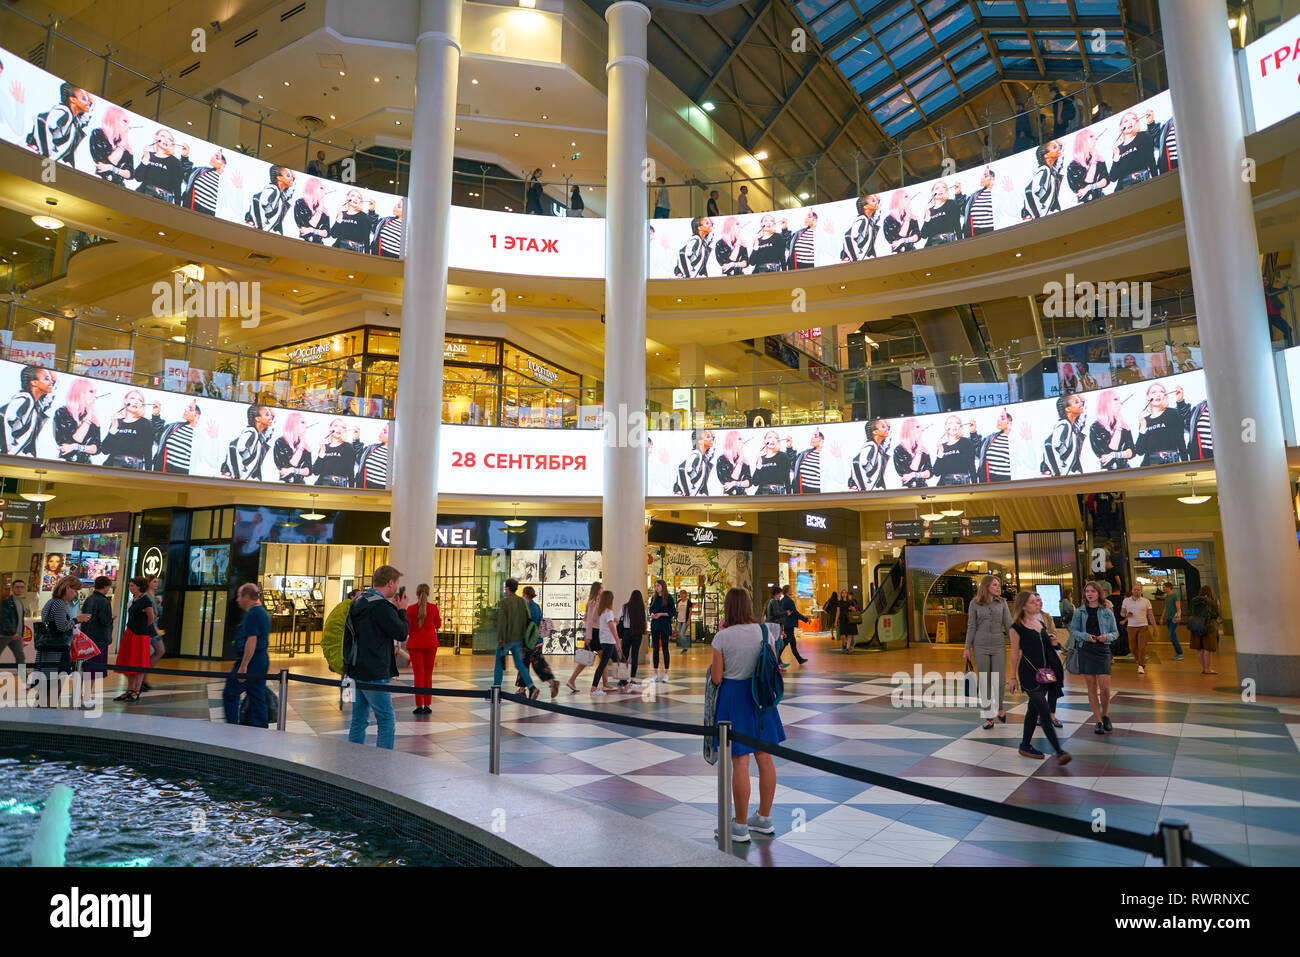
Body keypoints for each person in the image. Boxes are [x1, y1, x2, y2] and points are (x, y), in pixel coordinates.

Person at [710, 587, 784, 843]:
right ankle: (763, 817)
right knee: (765, 758)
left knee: (740, 761)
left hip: (734, 699)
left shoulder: (722, 637)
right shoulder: (764, 631)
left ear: (728, 608)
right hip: (761, 699)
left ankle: (739, 826)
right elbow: (774, 666)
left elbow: (717, 677)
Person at [345, 565, 409, 749]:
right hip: (375, 671)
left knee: (359, 719)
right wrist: (402, 610)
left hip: (356, 668)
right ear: (390, 583)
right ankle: (383, 762)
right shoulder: (381, 606)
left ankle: (352, 756)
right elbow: (401, 632)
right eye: (396, 583)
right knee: (386, 719)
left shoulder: (360, 601)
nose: (397, 587)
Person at [1008, 590, 1071, 764]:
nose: (1037, 604)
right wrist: (1012, 678)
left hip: (1044, 673)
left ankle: (1024, 745)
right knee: (1043, 710)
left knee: (1033, 709)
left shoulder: (1039, 623)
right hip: (1029, 674)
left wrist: (1053, 643)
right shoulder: (1016, 627)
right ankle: (1059, 751)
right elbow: (1014, 654)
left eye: (1037, 601)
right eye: (1032, 602)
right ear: (1023, 606)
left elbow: (1045, 645)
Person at [1069, 581, 1118, 734]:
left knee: (1105, 687)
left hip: (1102, 650)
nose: (1089, 594)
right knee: (1091, 687)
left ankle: (1105, 715)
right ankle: (1097, 721)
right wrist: (1085, 636)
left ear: (1099, 593)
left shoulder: (1106, 611)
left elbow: (1115, 632)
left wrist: (1106, 637)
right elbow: (1073, 631)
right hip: (1086, 650)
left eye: (1092, 591)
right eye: (1087, 591)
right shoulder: (1079, 612)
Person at [964, 574, 1011, 729]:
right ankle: (988, 717)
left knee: (1000, 679)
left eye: (998, 585)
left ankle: (1000, 707)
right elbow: (971, 626)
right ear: (986, 587)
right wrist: (966, 648)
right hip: (980, 645)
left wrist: (1018, 643)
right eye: (995, 585)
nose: (998, 588)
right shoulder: (974, 603)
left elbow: (1009, 624)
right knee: (985, 681)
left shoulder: (1002, 603)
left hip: (998, 645)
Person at [222, 583, 271, 727]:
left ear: (247, 596)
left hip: (252, 660)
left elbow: (252, 640)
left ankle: (232, 725)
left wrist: (243, 666)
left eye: (239, 596)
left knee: (230, 692)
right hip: (261, 659)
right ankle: (260, 726)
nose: (237, 600)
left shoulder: (252, 614)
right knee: (256, 694)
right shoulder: (262, 612)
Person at [35, 576, 88, 708]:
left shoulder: (51, 602)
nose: (75, 594)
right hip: (56, 650)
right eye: (74, 591)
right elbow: (62, 626)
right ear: (67, 588)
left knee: (46, 685)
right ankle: (47, 715)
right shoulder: (59, 604)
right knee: (54, 685)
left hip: (48, 649)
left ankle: (40, 713)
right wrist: (77, 620)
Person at [27, 82, 92, 164]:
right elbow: (42, 121)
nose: (88, 102)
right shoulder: (64, 112)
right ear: (73, 100)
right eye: (83, 98)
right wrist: (46, 155)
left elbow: (90, 110)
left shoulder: (75, 120)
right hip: (29, 155)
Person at [114, 577, 154, 703]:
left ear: (139, 586)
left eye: (132, 585)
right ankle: (130, 690)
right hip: (131, 633)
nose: (130, 588)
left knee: (138, 662)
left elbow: (151, 616)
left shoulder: (145, 599)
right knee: (130, 662)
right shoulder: (135, 599)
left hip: (140, 635)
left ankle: (136, 690)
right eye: (130, 585)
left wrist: (143, 627)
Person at [492, 578, 535, 695]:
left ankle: (496, 690)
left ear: (507, 588)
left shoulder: (505, 602)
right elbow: (527, 618)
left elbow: (502, 623)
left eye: (505, 587)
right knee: (520, 665)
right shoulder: (522, 601)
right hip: (518, 640)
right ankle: (532, 687)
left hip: (505, 640)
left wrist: (500, 639)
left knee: (499, 665)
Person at [3, 364, 56, 456]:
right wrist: (9, 451)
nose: (51, 382)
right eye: (46, 379)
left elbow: (49, 397)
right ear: (34, 382)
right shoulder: (23, 399)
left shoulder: (36, 403)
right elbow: (6, 422)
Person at [517, 585, 559, 699]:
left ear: (525, 595)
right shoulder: (536, 607)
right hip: (537, 641)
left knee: (525, 664)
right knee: (537, 664)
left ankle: (523, 689)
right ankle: (524, 689)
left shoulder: (528, 607)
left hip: (529, 642)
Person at [102, 391, 161, 470]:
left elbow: (148, 454)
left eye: (140, 400)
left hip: (132, 470)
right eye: (132, 398)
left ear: (142, 405)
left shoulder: (146, 423)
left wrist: (148, 475)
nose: (136, 402)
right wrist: (113, 427)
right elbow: (105, 450)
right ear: (125, 400)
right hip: (110, 468)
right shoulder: (116, 422)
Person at [405, 583, 441, 713]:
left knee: (418, 675)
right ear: (429, 593)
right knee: (428, 674)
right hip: (431, 643)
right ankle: (428, 705)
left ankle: (419, 705)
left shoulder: (410, 609)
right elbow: (438, 624)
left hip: (415, 644)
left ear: (416, 594)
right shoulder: (434, 608)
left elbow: (408, 630)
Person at [180, 149, 245, 219]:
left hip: (208, 220)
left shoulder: (224, 184)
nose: (213, 157)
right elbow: (185, 176)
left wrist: (239, 188)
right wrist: (185, 157)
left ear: (223, 163)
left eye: (217, 157)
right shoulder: (200, 171)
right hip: (189, 212)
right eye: (213, 155)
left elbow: (238, 210)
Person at [1136, 382, 1188, 465]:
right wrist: (1142, 426)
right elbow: (1139, 451)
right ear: (1148, 396)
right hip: (1149, 466)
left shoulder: (1172, 413)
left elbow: (1181, 441)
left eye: (1161, 392)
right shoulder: (1144, 421)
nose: (1158, 395)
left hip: (1169, 463)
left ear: (1165, 395)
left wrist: (1186, 464)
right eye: (1154, 392)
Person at [133, 129, 190, 203]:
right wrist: (146, 158)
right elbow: (138, 178)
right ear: (156, 137)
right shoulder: (148, 155)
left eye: (169, 139)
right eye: (163, 136)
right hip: (141, 197)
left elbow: (177, 189)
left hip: (161, 202)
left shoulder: (175, 162)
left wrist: (177, 208)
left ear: (172, 144)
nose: (166, 140)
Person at [53, 378, 102, 464]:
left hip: (87, 465)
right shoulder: (62, 412)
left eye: (95, 392)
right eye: (91, 391)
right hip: (67, 462)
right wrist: (89, 415)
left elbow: (96, 448)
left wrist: (76, 447)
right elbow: (74, 439)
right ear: (80, 392)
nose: (94, 395)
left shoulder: (93, 417)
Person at [567, 581, 602, 693]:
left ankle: (572, 680)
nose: (603, 590)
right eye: (601, 588)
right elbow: (589, 620)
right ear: (597, 590)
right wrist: (589, 636)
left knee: (602, 659)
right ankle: (572, 679)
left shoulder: (596, 602)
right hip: (594, 633)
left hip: (596, 632)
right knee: (600, 658)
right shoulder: (593, 603)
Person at [223, 404, 274, 480]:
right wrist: (237, 476)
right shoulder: (251, 433)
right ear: (257, 419)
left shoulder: (260, 435)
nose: (270, 417)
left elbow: (270, 431)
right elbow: (233, 447)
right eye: (267, 415)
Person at [1110, 110, 1158, 190]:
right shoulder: (1117, 149)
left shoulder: (1143, 136)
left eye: (1133, 119)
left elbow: (1152, 162)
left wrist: (1156, 183)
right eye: (1126, 121)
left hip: (1142, 186)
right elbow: (1113, 178)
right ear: (1121, 126)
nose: (1130, 122)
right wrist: (1116, 156)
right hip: (1123, 190)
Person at [1090, 390, 1135, 470]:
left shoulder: (1123, 425)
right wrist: (1118, 426)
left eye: (1119, 399)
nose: (1119, 403)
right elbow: (1111, 448)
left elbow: (1132, 452)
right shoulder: (1096, 427)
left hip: (1126, 470)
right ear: (1106, 403)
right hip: (1108, 473)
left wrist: (1113, 455)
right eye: (1115, 399)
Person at [1041, 393, 1086, 475]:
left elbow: (1082, 419)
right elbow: (1048, 445)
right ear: (1068, 409)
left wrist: (1083, 400)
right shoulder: (1064, 425)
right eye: (1076, 402)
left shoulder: (1073, 426)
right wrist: (1058, 474)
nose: (1080, 404)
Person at [80, 576, 115, 679]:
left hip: (87, 638)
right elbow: (105, 621)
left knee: (85, 669)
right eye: (108, 587)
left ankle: (80, 692)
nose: (109, 589)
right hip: (99, 639)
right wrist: (111, 618)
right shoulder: (104, 602)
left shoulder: (88, 599)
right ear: (105, 586)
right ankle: (87, 693)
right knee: (95, 672)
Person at [89, 106, 134, 185]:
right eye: (125, 121)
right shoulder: (98, 133)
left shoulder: (126, 145)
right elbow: (107, 162)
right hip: (100, 182)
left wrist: (113, 169)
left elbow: (130, 174)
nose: (128, 125)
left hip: (119, 187)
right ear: (114, 119)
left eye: (128, 122)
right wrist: (123, 142)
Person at [589, 589, 622, 695]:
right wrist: (618, 642)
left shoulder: (604, 612)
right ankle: (594, 688)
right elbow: (611, 628)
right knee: (603, 664)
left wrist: (614, 622)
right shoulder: (608, 612)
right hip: (608, 641)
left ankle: (625, 684)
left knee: (617, 661)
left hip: (607, 641)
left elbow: (610, 625)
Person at [1022, 140, 1064, 218]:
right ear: (1046, 155)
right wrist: (1038, 216)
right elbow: (1029, 191)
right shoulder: (1044, 170)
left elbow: (1061, 158)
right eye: (1055, 147)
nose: (1059, 148)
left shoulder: (1052, 170)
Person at [1121, 584, 1156, 675]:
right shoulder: (1126, 601)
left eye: (1139, 590)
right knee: (1132, 647)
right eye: (1135, 590)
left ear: (1141, 591)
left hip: (1143, 626)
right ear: (1132, 590)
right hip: (1131, 626)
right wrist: (1126, 615)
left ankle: (1141, 665)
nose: (1137, 591)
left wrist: (1155, 628)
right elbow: (1122, 613)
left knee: (1142, 646)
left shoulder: (1146, 601)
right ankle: (1138, 660)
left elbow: (1150, 615)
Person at [246, 165, 295, 232]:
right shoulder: (272, 190)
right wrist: (261, 227)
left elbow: (289, 194)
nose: (292, 178)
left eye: (292, 176)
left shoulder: (281, 194)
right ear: (279, 178)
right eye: (288, 176)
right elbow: (256, 200)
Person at [1067, 128, 1110, 204]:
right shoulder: (1073, 165)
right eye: (1091, 137)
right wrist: (1094, 160)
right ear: (1082, 141)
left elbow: (1105, 180)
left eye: (1094, 136)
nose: (1095, 139)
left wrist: (1089, 187)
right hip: (1086, 204)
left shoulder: (1099, 159)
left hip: (1101, 199)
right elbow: (1088, 181)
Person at [932, 414, 976, 486]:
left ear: (960, 426)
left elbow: (972, 467)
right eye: (950, 423)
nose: (954, 425)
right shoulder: (942, 447)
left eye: (957, 423)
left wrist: (975, 486)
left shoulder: (966, 442)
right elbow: (936, 473)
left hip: (961, 486)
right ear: (946, 427)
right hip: (943, 488)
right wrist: (940, 453)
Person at [848, 419, 890, 491]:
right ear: (875, 432)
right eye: (883, 427)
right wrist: (864, 489)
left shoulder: (878, 447)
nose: (887, 428)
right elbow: (856, 463)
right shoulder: (871, 446)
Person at [314, 418, 358, 487]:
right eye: (336, 426)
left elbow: (351, 472)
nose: (339, 429)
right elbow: (316, 471)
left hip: (338, 487)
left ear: (345, 430)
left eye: (342, 427)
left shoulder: (348, 447)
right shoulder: (324, 447)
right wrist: (321, 453)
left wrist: (351, 492)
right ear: (330, 428)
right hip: (321, 486)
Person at [1187, 586, 1220, 675]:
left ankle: (1204, 668)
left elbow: (1189, 612)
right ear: (1210, 593)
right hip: (1208, 627)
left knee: (1199, 648)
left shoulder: (1193, 601)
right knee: (1207, 649)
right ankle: (1207, 669)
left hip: (1195, 626)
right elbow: (1215, 615)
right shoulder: (1211, 602)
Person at [648, 579, 676, 684]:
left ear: (663, 586)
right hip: (655, 625)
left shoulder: (669, 598)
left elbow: (673, 612)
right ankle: (655, 673)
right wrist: (652, 614)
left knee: (665, 648)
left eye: (658, 585)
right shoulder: (654, 598)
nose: (656, 587)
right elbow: (651, 609)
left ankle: (666, 673)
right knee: (655, 648)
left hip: (664, 625)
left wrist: (661, 614)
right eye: (655, 586)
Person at [619, 590, 648, 688]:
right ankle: (632, 679)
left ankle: (622, 679)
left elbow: (619, 618)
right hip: (637, 633)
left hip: (626, 633)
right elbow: (645, 620)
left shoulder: (625, 607)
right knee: (634, 656)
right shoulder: (642, 608)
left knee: (624, 656)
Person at [673, 428, 715, 495]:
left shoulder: (701, 456)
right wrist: (688, 494)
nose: (711, 438)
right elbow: (682, 470)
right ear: (700, 441)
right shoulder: (696, 455)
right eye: (708, 437)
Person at [893, 418, 933, 487]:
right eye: (917, 427)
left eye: (920, 427)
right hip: (908, 490)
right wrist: (919, 449)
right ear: (909, 429)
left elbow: (930, 473)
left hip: (923, 488)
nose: (921, 429)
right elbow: (912, 470)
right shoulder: (899, 449)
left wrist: (914, 475)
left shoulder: (923, 449)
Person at [920, 181, 962, 247]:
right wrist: (927, 216)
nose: (940, 190)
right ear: (932, 192)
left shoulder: (951, 203)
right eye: (937, 188)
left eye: (943, 187)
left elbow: (957, 225)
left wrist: (961, 243)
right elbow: (924, 235)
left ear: (946, 191)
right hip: (931, 246)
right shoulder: (929, 210)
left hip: (947, 244)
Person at [841, 193, 881, 260]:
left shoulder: (870, 220)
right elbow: (848, 236)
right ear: (865, 207)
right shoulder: (862, 219)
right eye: (873, 201)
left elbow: (880, 206)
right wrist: (855, 259)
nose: (876, 202)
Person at [1, 579, 28, 676]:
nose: (19, 589)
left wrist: (19, 633)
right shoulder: (6, 602)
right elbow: (4, 618)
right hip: (5, 635)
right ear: (13, 588)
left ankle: (24, 680)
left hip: (16, 636)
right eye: (17, 587)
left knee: (20, 657)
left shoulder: (20, 602)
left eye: (21, 587)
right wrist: (13, 632)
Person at [293, 177, 331, 243]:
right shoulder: (301, 203)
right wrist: (320, 206)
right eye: (321, 188)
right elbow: (308, 226)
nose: (324, 190)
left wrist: (311, 230)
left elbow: (326, 233)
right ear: (313, 188)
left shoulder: (323, 208)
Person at [779, 583, 809, 667]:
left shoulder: (782, 600)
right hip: (789, 625)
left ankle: (799, 659)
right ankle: (776, 658)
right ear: (787, 591)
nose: (792, 590)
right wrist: (806, 619)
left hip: (786, 624)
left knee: (793, 644)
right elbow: (795, 613)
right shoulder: (789, 601)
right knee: (784, 643)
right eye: (791, 589)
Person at [751, 430, 789, 495]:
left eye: (776, 438)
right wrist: (759, 463)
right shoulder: (761, 458)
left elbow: (786, 479)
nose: (773, 440)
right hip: (762, 495)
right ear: (765, 440)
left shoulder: (783, 456)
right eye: (770, 437)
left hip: (777, 494)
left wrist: (790, 496)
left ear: (778, 441)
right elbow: (755, 482)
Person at [355, 423, 389, 489]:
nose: (381, 432)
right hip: (365, 490)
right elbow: (359, 458)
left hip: (383, 492)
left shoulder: (396, 454)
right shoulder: (372, 448)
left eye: (385, 431)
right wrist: (356, 439)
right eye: (382, 429)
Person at [1161, 581, 1185, 661]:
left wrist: (1179, 616)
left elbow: (1178, 607)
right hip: (1168, 618)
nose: (1163, 588)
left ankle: (1180, 653)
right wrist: (1162, 617)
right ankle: (1178, 653)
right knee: (1172, 635)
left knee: (1172, 635)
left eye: (1164, 587)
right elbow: (1165, 607)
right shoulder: (1167, 597)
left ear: (1168, 587)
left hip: (1174, 619)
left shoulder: (1175, 596)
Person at [674, 588, 692, 659]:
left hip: (685, 620)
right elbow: (677, 611)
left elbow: (690, 612)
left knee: (682, 634)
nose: (681, 595)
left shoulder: (688, 602)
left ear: (685, 595)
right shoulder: (679, 602)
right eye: (680, 594)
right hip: (679, 620)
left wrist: (688, 620)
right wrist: (675, 619)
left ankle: (685, 648)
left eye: (682, 594)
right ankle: (684, 647)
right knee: (679, 634)